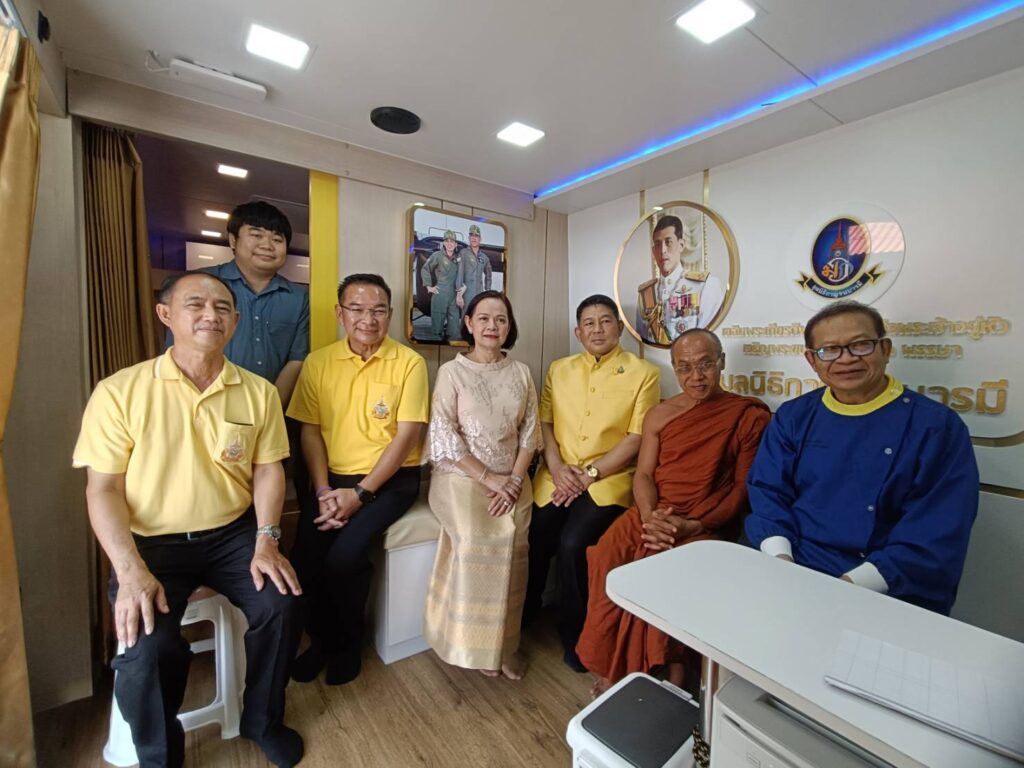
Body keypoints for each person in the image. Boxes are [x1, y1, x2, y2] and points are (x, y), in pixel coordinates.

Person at [73, 272, 303, 768]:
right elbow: (103, 489)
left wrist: (267, 538)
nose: (210, 315)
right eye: (195, 304)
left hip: (232, 534)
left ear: (235, 321)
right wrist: (128, 569)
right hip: (151, 542)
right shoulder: (120, 391)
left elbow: (268, 470)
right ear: (166, 315)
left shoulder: (258, 392)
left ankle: (263, 721)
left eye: (222, 308)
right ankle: (159, 756)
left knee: (281, 606)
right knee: (148, 645)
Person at [745, 301, 979, 615]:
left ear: (885, 349)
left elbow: (937, 527)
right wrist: (781, 562)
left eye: (860, 345)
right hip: (795, 568)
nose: (846, 359)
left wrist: (847, 586)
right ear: (812, 360)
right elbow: (767, 492)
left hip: (889, 586)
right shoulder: (793, 417)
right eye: (830, 350)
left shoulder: (936, 427)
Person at [576, 329, 771, 696]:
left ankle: (673, 672)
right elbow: (644, 475)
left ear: (721, 362)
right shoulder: (660, 415)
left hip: (705, 518)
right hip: (653, 512)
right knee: (606, 554)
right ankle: (613, 664)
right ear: (674, 368)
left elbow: (740, 490)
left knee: (668, 572)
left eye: (705, 365)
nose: (696, 376)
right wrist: (650, 516)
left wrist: (691, 525)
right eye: (684, 367)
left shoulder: (746, 415)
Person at [287, 274, 428, 684]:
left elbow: (407, 436)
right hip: (330, 479)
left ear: (390, 314)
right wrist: (323, 490)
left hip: (390, 480)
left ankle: (347, 645)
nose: (369, 319)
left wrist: (361, 493)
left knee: (345, 558)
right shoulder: (318, 362)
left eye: (379, 310)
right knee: (306, 558)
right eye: (358, 309)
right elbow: (310, 431)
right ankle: (319, 642)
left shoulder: (409, 363)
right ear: (340, 313)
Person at [523, 294, 660, 672]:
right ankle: (525, 615)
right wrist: (556, 467)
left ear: (619, 327)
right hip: (558, 475)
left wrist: (590, 475)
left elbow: (636, 437)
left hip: (608, 480)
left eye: (605, 321)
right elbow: (545, 423)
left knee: (573, 544)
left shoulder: (644, 373)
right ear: (578, 332)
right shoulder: (559, 369)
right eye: (589, 323)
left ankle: (578, 637)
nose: (597, 329)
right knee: (535, 533)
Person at [424, 290, 541, 679]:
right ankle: (473, 647)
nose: (493, 326)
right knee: (477, 540)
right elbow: (444, 434)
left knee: (516, 543)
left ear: (509, 327)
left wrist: (514, 480)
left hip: (513, 477)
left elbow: (530, 432)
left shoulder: (521, 372)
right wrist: (489, 478)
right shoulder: (451, 372)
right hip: (461, 477)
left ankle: (505, 647)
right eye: (485, 318)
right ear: (469, 323)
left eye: (501, 319)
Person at [171, 200, 309, 408]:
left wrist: (269, 408)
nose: (267, 245)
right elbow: (179, 349)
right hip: (204, 404)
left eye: (277, 239)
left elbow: (296, 359)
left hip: (271, 409)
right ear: (233, 240)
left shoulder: (299, 297)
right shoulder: (198, 284)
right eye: (256, 235)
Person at [636, 215, 724, 344]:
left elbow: (709, 339)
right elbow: (642, 342)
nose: (663, 250)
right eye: (658, 244)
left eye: (668, 242)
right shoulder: (645, 293)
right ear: (653, 251)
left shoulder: (705, 285)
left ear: (681, 245)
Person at [419, 229, 463, 341]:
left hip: (454, 295)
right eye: (447, 241)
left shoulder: (459, 259)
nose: (449, 244)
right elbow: (425, 269)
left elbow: (462, 276)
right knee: (436, 332)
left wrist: (461, 292)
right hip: (440, 293)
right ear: (443, 243)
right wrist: (429, 287)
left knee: (454, 333)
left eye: (452, 241)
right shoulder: (437, 256)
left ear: (456, 244)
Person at [456, 223, 492, 310]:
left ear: (480, 239)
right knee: (466, 315)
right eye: (472, 235)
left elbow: (489, 274)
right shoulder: (463, 253)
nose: (474, 238)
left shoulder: (484, 257)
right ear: (469, 238)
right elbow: (459, 274)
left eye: (476, 236)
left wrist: (487, 290)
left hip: (479, 294)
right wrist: (459, 295)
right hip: (466, 293)